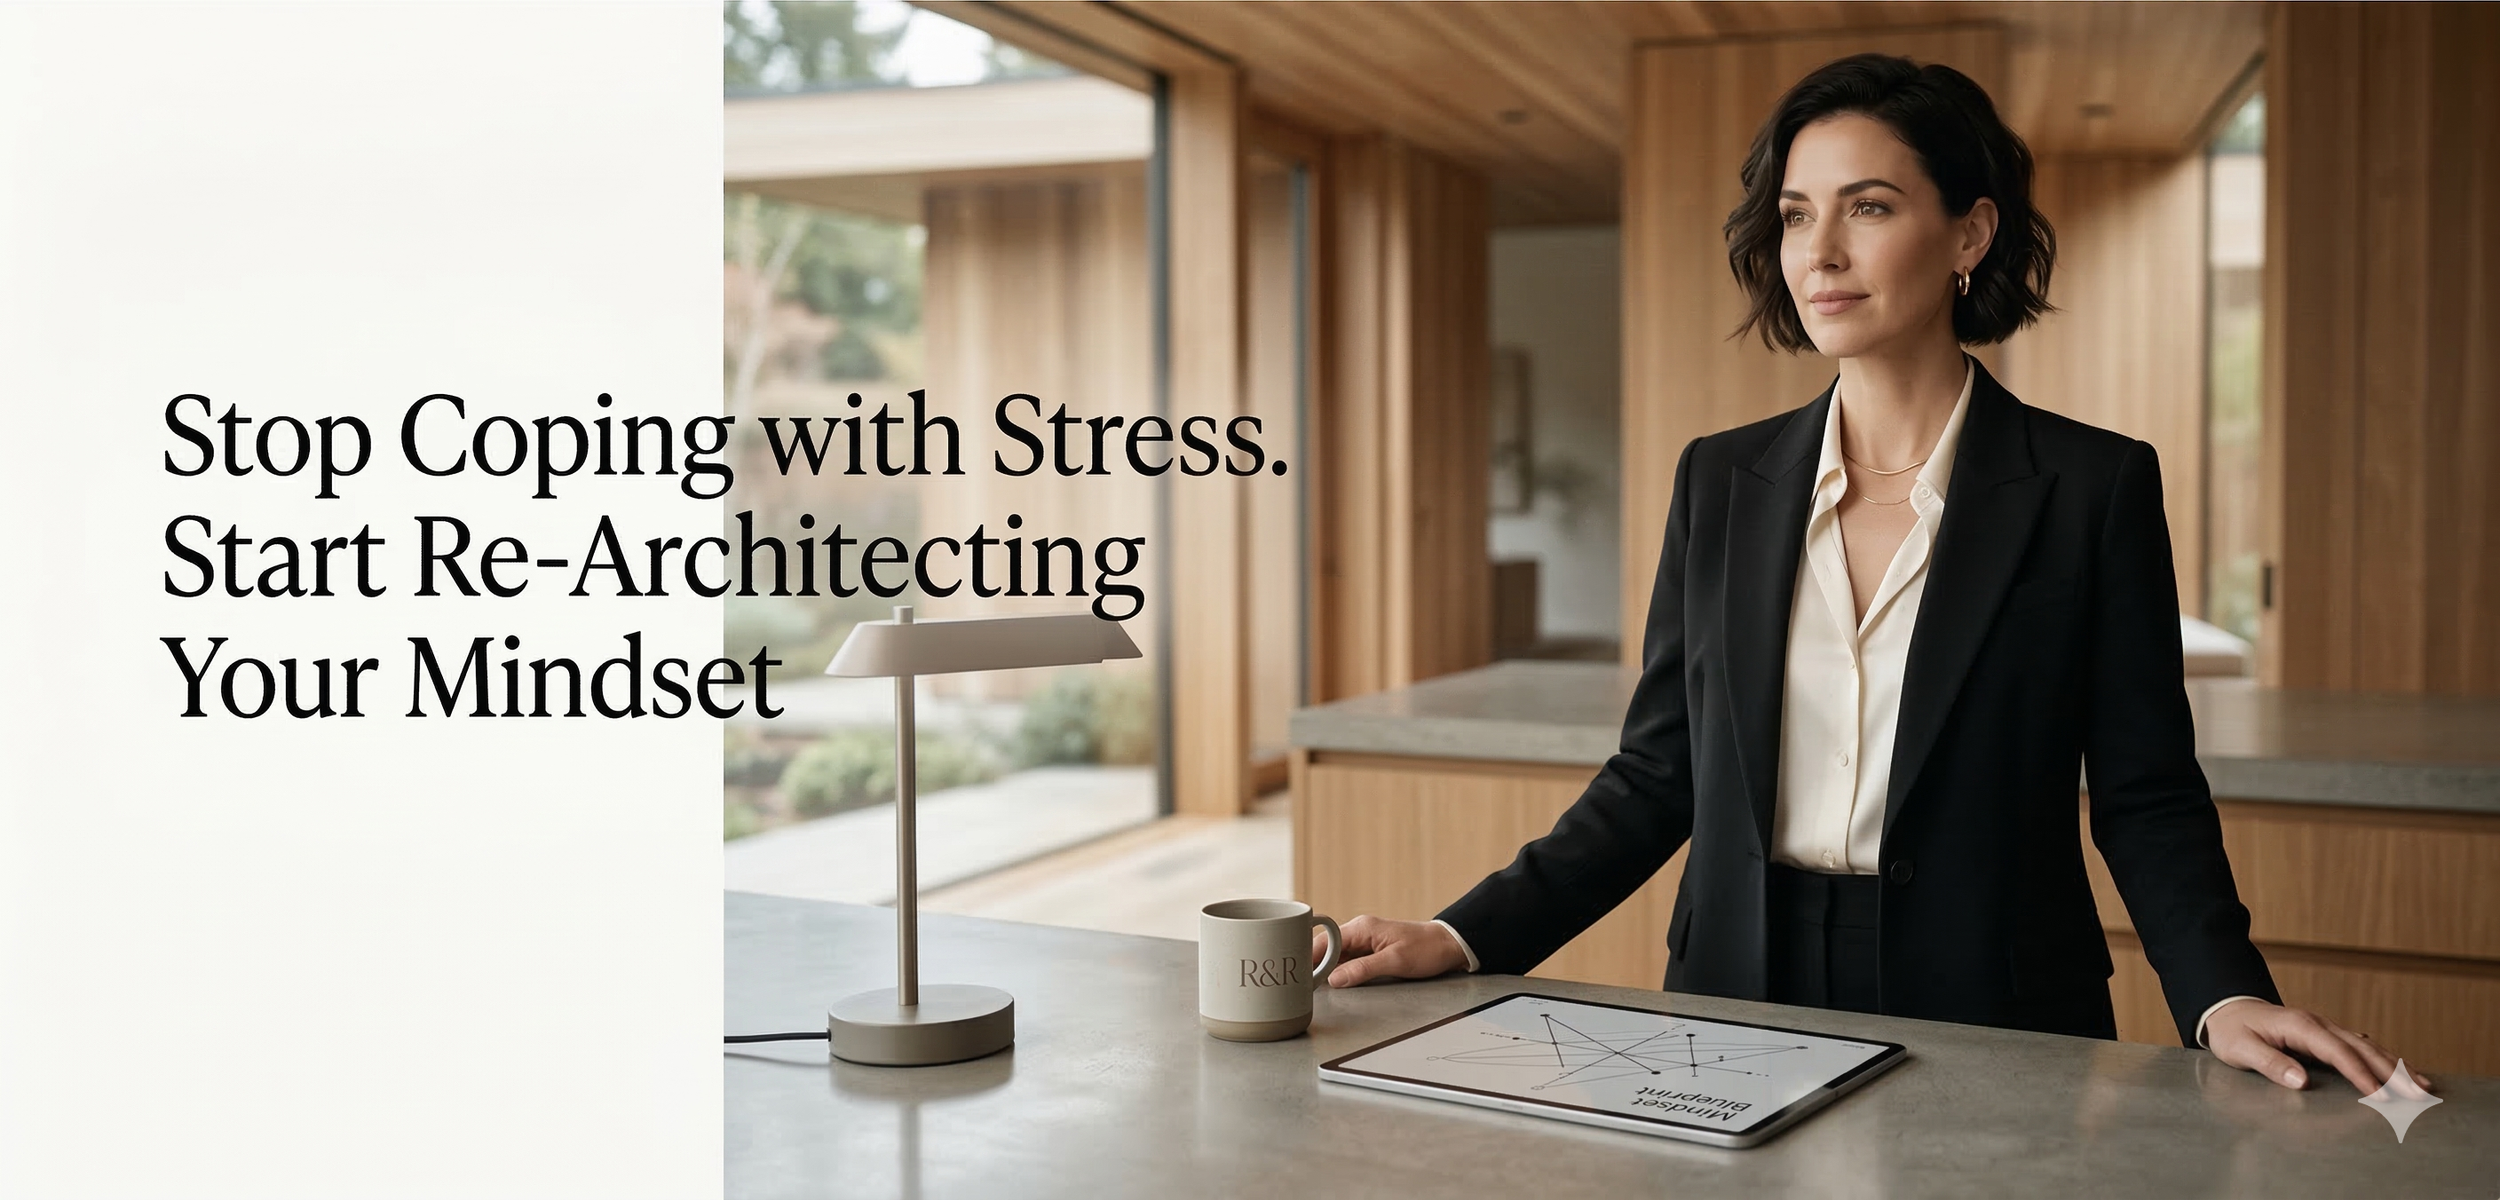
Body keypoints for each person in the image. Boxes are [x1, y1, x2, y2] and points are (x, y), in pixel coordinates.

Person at [1313, 53, 2429, 1097]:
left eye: (1870, 207)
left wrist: (2219, 994)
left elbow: (2144, 791)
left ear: (1968, 235)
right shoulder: (1721, 480)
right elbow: (1659, 775)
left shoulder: (2091, 487)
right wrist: (1463, 935)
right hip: (1732, 993)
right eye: (1797, 214)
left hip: (1996, 1007)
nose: (1819, 252)